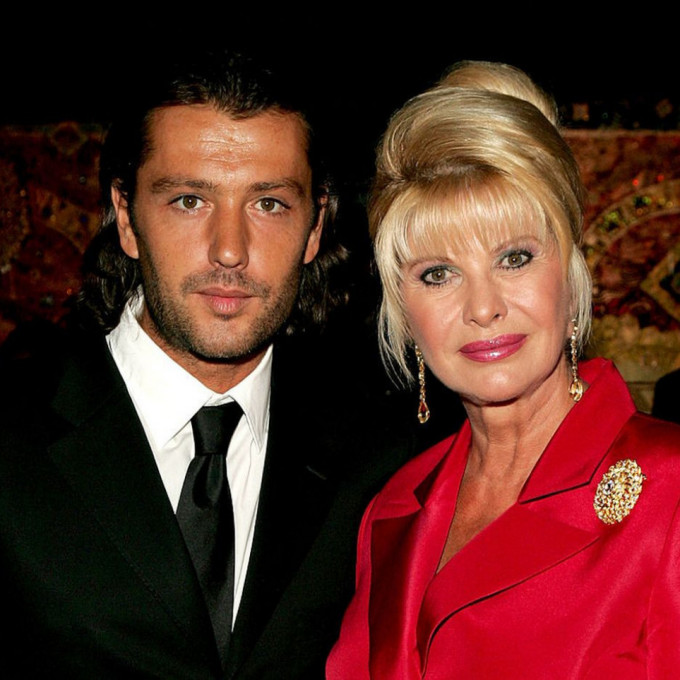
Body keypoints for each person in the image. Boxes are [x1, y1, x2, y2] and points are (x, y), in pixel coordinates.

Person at [0, 48, 449, 679]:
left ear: (315, 228)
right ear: (125, 217)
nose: (230, 250)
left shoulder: (384, 455)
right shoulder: (12, 434)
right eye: (189, 200)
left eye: (269, 204)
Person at [326, 60, 680, 679]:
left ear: (570, 274)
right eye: (438, 273)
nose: (483, 306)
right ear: (403, 311)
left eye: (514, 258)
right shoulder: (390, 509)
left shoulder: (669, 489)